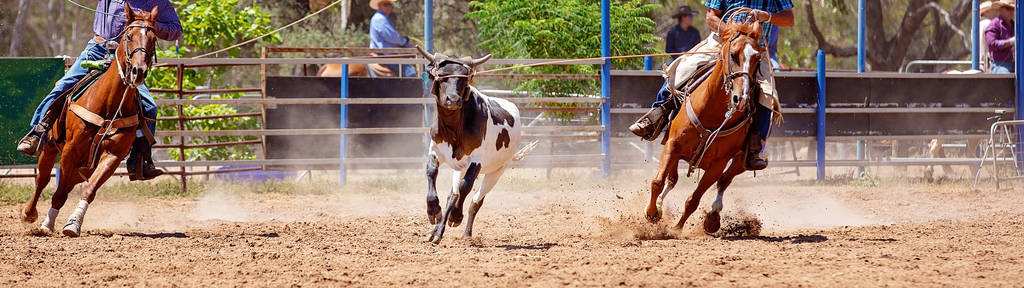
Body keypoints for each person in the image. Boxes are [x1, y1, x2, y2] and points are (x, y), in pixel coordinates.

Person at [16, 0, 181, 181]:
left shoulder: (159, 2)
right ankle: (38, 132)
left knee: (149, 107)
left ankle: (140, 160)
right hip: (98, 48)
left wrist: (150, 24)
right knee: (63, 86)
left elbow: (175, 29)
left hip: (129, 57)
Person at [629, 0, 794, 170]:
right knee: (684, 68)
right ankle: (656, 116)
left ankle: (755, 148)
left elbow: (789, 19)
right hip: (721, 41)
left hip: (754, 51)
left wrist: (767, 16)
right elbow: (711, 17)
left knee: (768, 94)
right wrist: (733, 36)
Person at [369, 0, 416, 77]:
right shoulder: (380, 19)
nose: (389, 7)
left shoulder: (381, 18)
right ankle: (416, 89)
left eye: (390, 5)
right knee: (411, 73)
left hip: (384, 53)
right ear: (379, 5)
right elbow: (392, 37)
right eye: (385, 4)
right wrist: (405, 42)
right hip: (385, 54)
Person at [986, 0, 1015, 74]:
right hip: (999, 65)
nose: (1011, 11)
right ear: (1001, 9)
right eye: (1008, 9)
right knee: (1006, 78)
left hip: (1016, 64)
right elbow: (991, 44)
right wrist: (1011, 41)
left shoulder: (1015, 25)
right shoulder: (994, 24)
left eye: (1013, 9)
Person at [980, 1, 999, 71]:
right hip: (987, 63)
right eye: (992, 10)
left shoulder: (977, 25)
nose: (995, 12)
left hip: (979, 62)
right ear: (986, 12)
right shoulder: (989, 23)